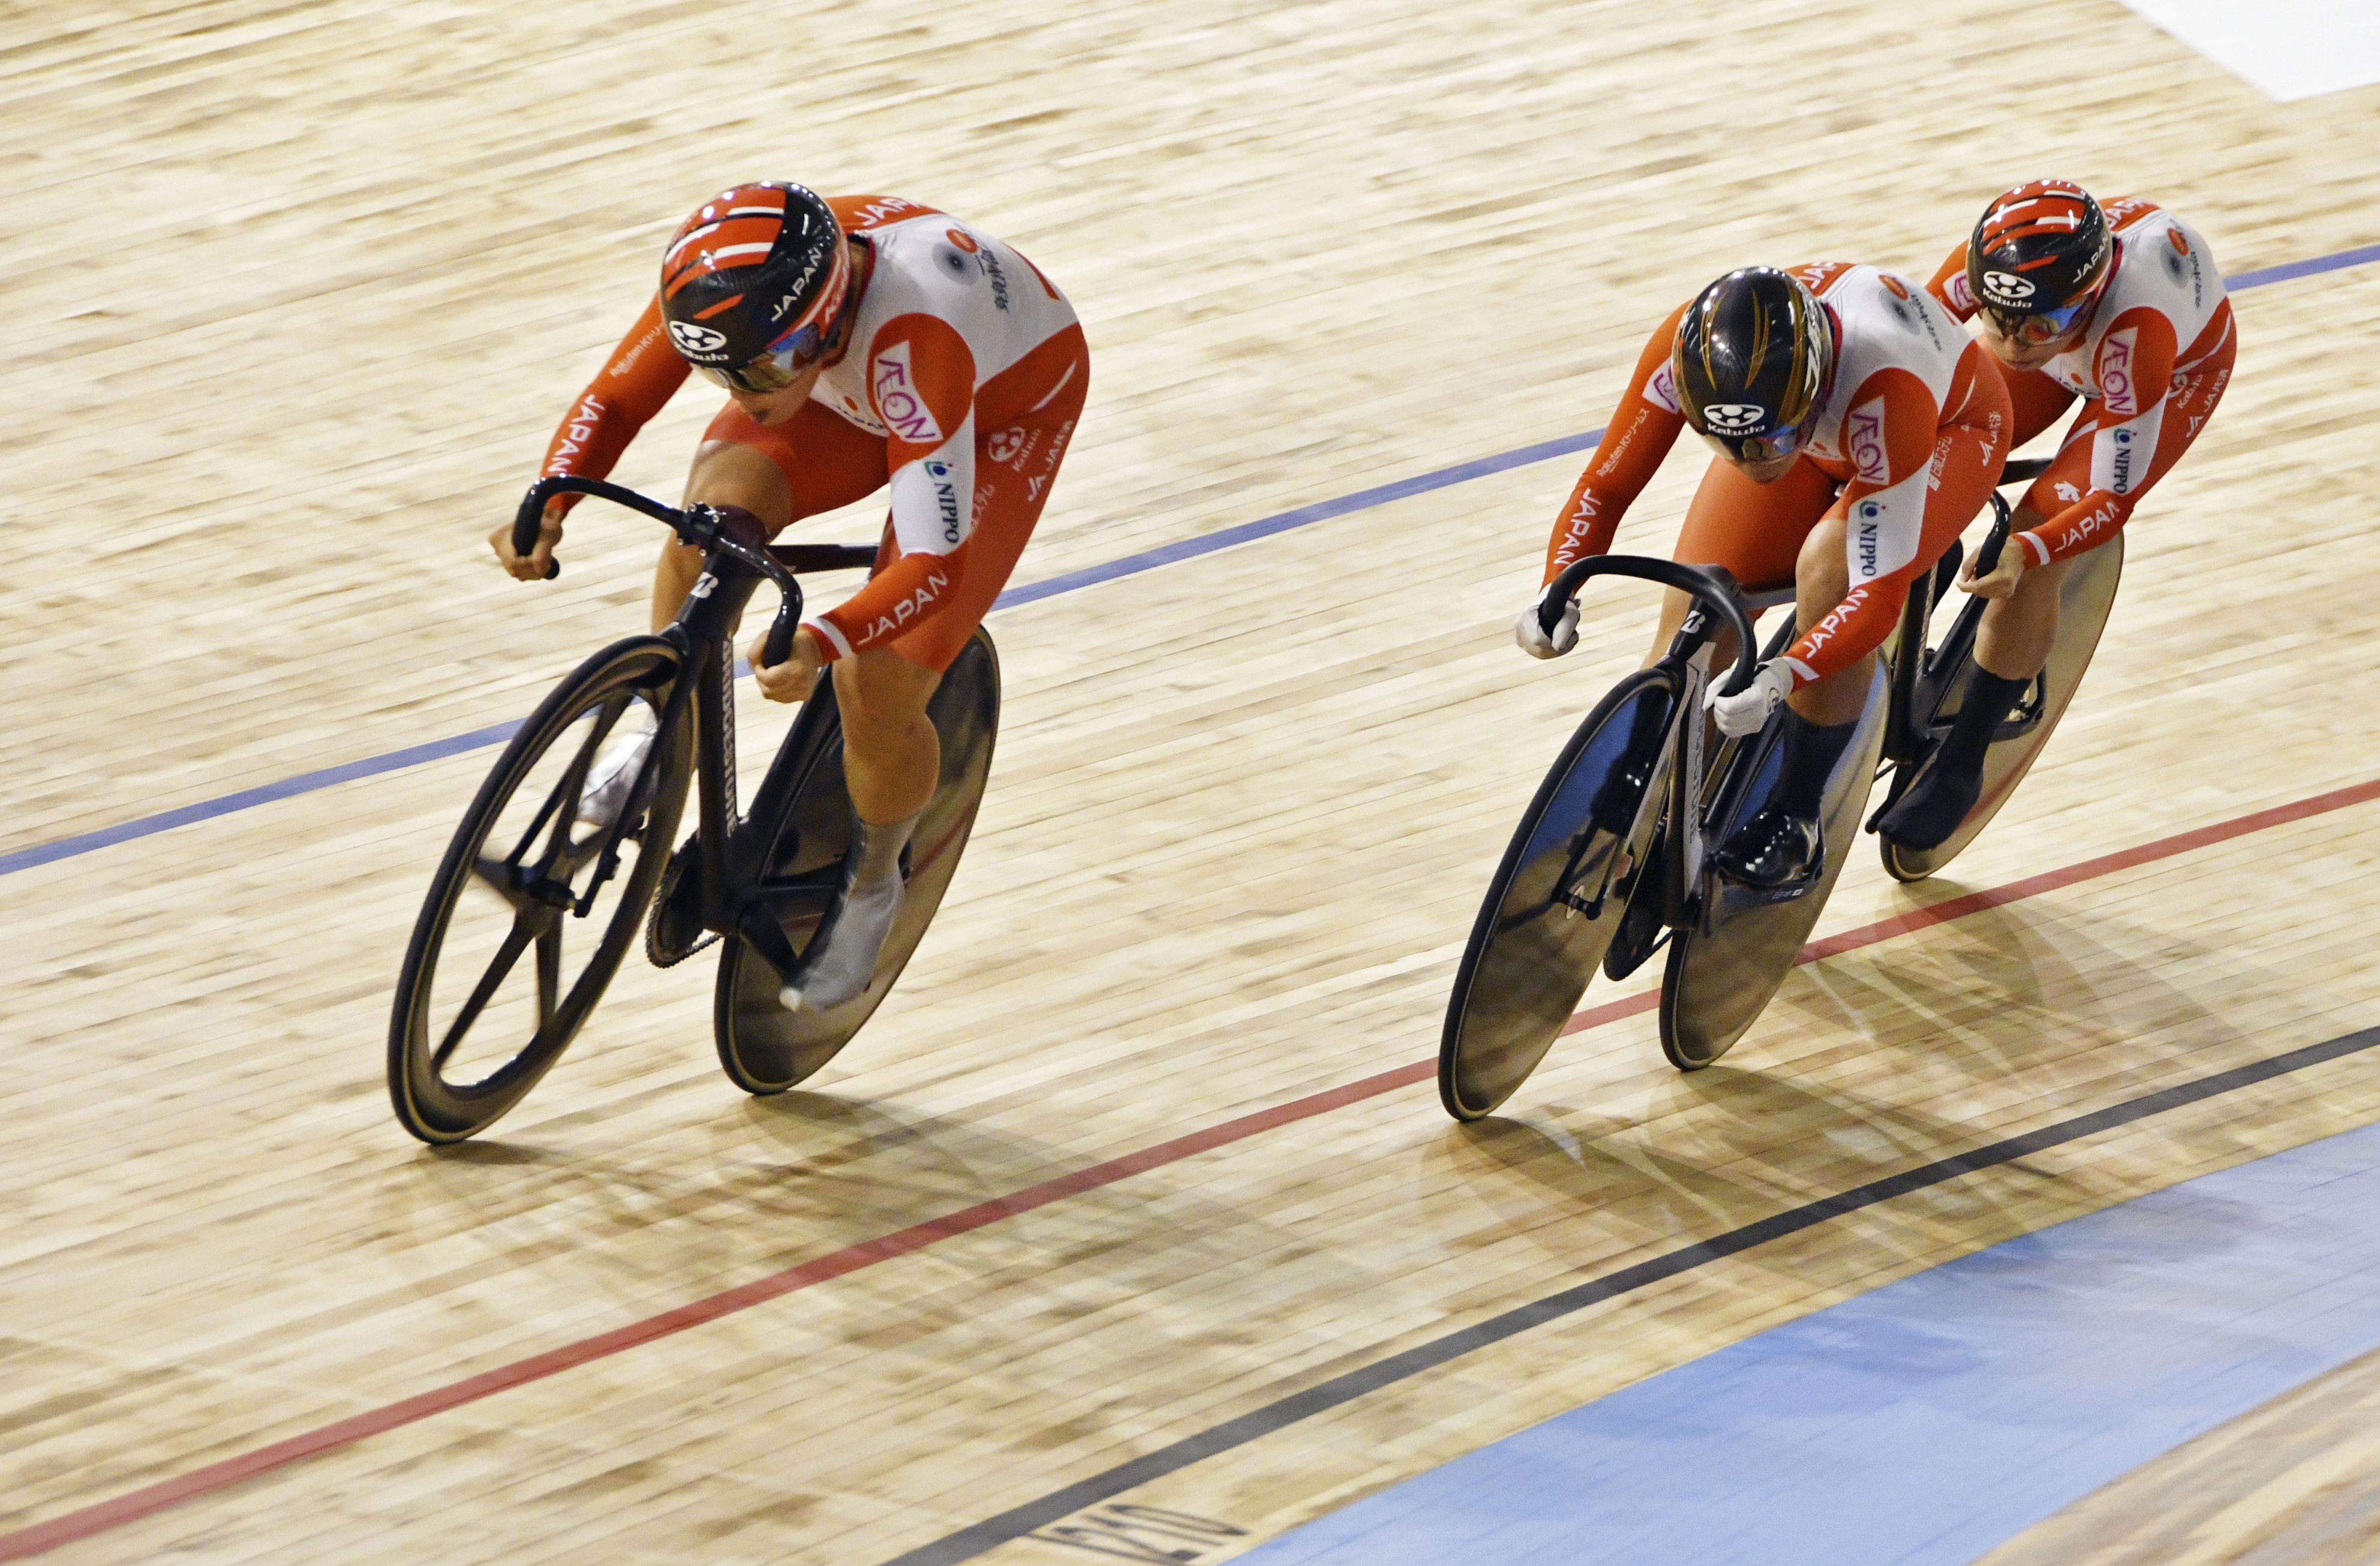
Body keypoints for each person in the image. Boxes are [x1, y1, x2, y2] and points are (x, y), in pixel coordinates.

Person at [493, 182, 1089, 1009]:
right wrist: (551, 500)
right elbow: (617, 396)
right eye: (716, 373)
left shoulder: (914, 339)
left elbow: (931, 564)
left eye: (759, 368)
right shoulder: (733, 288)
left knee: (874, 685)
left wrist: (829, 637)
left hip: (997, 410)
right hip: (842, 387)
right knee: (705, 531)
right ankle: (661, 734)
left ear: (825, 319)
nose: (741, 391)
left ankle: (875, 885)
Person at [1516, 263, 2011, 888]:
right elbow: (1606, 484)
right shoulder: (1684, 356)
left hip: (1946, 430)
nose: (1754, 463)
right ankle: (1635, 804)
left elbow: (1875, 597)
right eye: (1727, 444)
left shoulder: (1887, 381)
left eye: (1767, 442)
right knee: (1695, 614)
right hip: (1815, 428)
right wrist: (1556, 586)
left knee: (1831, 570)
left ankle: (1796, 818)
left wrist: (1782, 675)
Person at [1875, 179, 2234, 847]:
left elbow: (2110, 497)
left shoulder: (2138, 328)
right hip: (2074, 349)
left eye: (2037, 325)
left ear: (2090, 297)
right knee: (1924, 443)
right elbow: (1904, 360)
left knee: (2036, 529)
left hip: (2169, 372)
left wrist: (2029, 552)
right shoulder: (1992, 277)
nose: (2012, 345)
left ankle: (1962, 763)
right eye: (1993, 318)